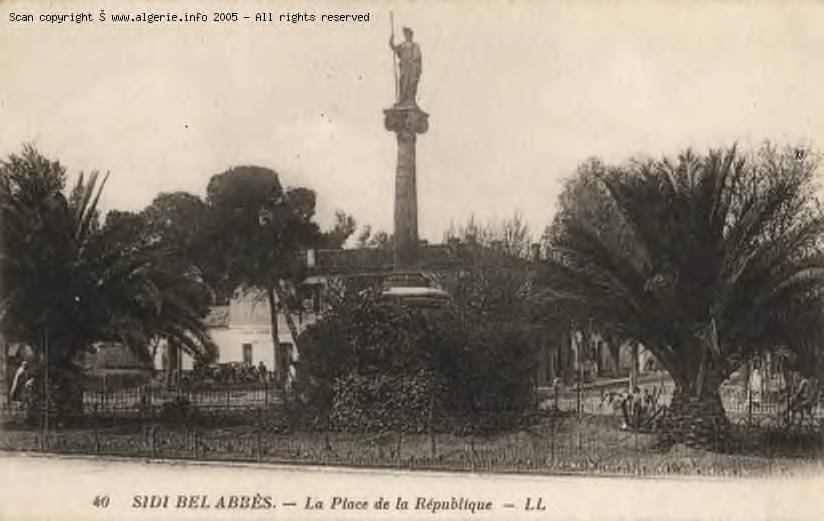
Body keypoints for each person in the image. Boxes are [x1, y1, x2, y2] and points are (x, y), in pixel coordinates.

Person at [389, 27, 422, 107]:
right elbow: (394, 48)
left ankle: (410, 100)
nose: (407, 35)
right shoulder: (402, 45)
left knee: (411, 84)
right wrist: (391, 41)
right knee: (403, 83)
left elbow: (417, 58)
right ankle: (402, 100)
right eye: (405, 34)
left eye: (408, 34)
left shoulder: (415, 46)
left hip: (411, 69)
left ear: (411, 35)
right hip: (404, 68)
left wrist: (414, 66)